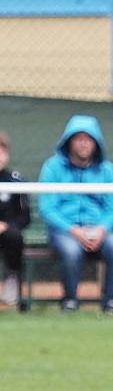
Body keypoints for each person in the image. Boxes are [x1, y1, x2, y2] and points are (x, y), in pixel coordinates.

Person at [38, 115, 113, 313]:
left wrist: (102, 229)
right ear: (69, 141)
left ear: (96, 143)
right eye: (78, 138)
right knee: (70, 251)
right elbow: (47, 207)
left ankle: (111, 302)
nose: (84, 143)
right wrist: (74, 231)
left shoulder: (107, 170)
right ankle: (70, 301)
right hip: (65, 231)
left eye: (89, 138)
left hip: (99, 230)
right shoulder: (52, 168)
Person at [0, 131, 30, 306]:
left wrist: (6, 226)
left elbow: (24, 217)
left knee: (14, 237)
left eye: (2, 152)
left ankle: (12, 280)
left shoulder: (16, 181)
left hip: (8, 233)